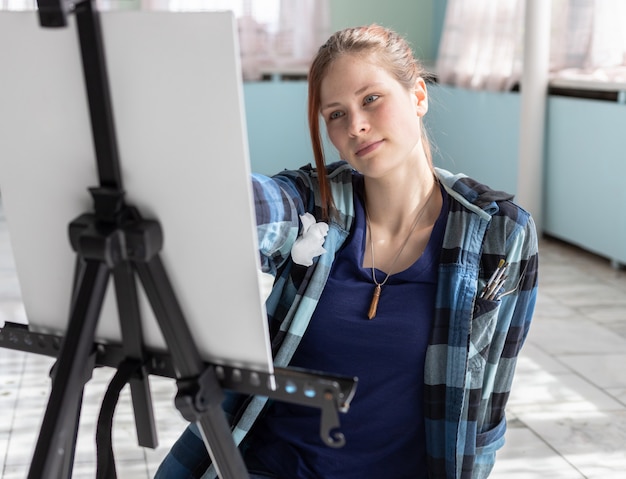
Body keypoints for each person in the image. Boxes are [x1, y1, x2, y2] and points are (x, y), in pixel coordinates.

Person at [155, 24, 539, 479]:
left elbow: (487, 411)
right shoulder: (312, 202)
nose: (355, 125)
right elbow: (258, 207)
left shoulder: (501, 232)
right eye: (335, 114)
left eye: (371, 99)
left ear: (418, 96)